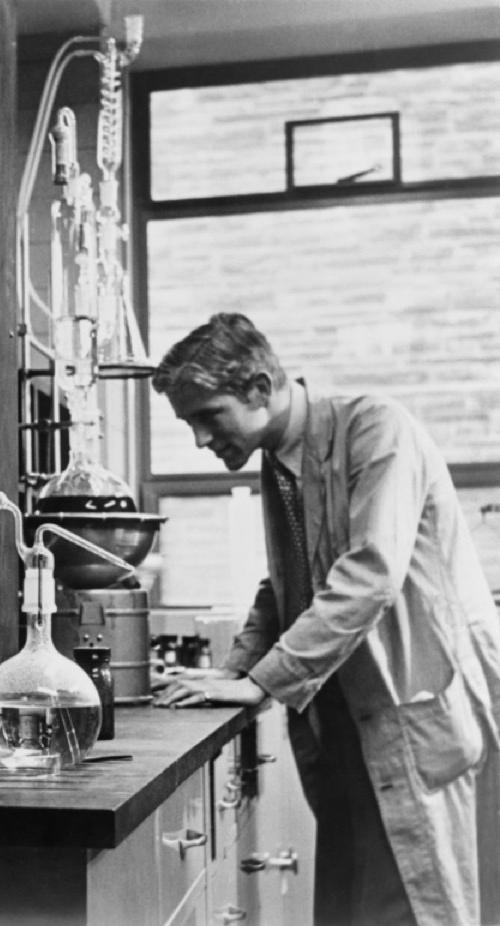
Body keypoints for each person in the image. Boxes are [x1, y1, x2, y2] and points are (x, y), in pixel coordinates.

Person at [149, 313, 500, 926]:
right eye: (190, 424)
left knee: (415, 905)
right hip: (346, 721)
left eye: (209, 416)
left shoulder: (374, 428)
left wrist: (259, 682)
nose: (201, 440)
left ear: (259, 388)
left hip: (414, 710)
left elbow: (370, 575)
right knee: (353, 907)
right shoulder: (281, 460)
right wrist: (233, 670)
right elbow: (282, 586)